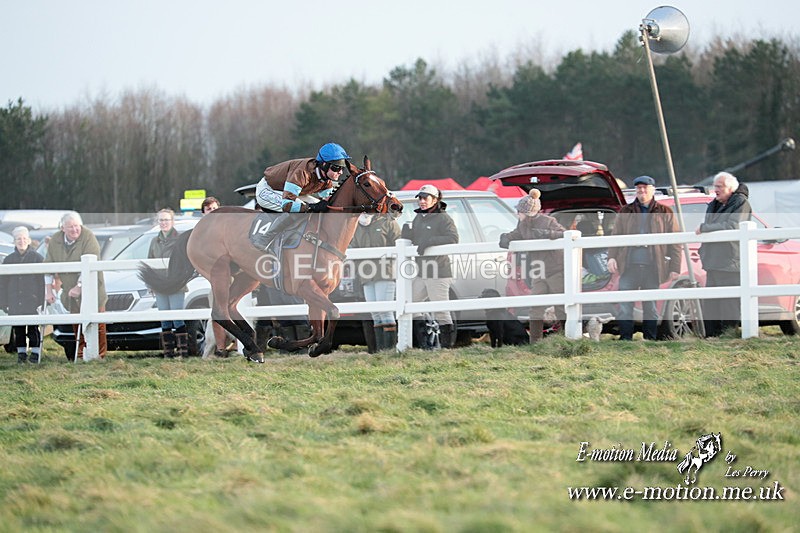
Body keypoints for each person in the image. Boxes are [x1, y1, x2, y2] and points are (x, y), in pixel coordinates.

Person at [607, 176, 682, 341]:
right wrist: (611, 257)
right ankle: (625, 340)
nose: (642, 191)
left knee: (651, 306)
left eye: (645, 188)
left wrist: (675, 268)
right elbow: (615, 237)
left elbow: (675, 242)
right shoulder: (625, 211)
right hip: (629, 266)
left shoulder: (665, 212)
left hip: (653, 266)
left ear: (653, 189)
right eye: (639, 188)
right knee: (625, 306)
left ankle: (650, 340)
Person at [252, 142, 350, 249]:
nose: (340, 172)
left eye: (342, 168)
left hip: (288, 192)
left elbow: (329, 202)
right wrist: (311, 207)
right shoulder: (301, 173)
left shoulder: (326, 179)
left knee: (319, 207)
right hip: (268, 190)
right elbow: (287, 205)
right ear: (324, 165)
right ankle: (264, 240)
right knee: (302, 209)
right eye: (336, 168)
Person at [499, 189, 566, 343]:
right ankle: (535, 342)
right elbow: (516, 234)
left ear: (527, 212)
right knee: (535, 307)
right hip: (539, 271)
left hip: (556, 270)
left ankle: (565, 337)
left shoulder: (549, 221)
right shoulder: (522, 225)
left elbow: (564, 233)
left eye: (519, 211)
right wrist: (505, 238)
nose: (517, 214)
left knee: (561, 307)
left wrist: (547, 234)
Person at [44, 211, 108, 360]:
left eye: (77, 226)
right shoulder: (55, 240)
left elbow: (92, 262)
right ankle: (80, 354)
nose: (74, 230)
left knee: (96, 323)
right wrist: (49, 290)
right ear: (63, 228)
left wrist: (79, 286)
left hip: (92, 287)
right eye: (70, 227)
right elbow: (48, 265)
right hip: (69, 289)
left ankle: (99, 355)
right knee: (77, 322)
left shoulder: (88, 237)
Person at [401, 184, 459, 348]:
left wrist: (430, 242)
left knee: (441, 310)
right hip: (422, 272)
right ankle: (424, 345)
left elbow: (453, 238)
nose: (422, 201)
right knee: (411, 303)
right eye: (420, 198)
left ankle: (447, 347)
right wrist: (406, 234)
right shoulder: (419, 217)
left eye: (425, 198)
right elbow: (416, 239)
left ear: (435, 199)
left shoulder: (443, 218)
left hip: (438, 272)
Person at [695, 171, 752, 337]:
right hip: (713, 262)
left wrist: (705, 228)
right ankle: (711, 336)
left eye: (719, 186)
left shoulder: (741, 203)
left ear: (731, 188)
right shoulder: (714, 204)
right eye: (715, 186)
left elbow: (733, 226)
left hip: (730, 262)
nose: (716, 190)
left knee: (729, 303)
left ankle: (729, 335)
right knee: (711, 302)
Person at [351, 212, 402, 352]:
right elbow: (352, 246)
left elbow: (399, 242)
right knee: (375, 313)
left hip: (384, 272)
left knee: (385, 311)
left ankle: (390, 349)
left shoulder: (387, 222)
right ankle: (381, 350)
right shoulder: (356, 225)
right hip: (365, 274)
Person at [0, 227, 45, 363]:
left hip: (31, 299)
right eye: (19, 239)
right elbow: (3, 283)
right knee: (18, 328)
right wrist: (3, 302)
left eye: (24, 238)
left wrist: (41, 301)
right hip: (14, 299)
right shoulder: (8, 259)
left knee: (33, 328)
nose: (22, 241)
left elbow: (42, 281)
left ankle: (35, 353)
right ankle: (21, 354)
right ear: (14, 241)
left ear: (29, 240)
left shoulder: (37, 257)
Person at [147, 208, 188, 358]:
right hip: (160, 284)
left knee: (177, 318)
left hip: (176, 284)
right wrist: (150, 283)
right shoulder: (154, 241)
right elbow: (150, 262)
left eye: (166, 220)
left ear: (172, 221)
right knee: (165, 319)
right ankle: (168, 352)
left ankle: (183, 352)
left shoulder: (179, 239)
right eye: (161, 220)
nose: (163, 223)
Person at [199, 196, 235, 357]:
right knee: (217, 313)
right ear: (203, 213)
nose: (212, 212)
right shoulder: (200, 234)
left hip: (233, 278)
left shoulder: (229, 230)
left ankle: (236, 346)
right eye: (208, 209)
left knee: (235, 311)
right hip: (214, 280)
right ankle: (220, 349)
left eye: (214, 208)